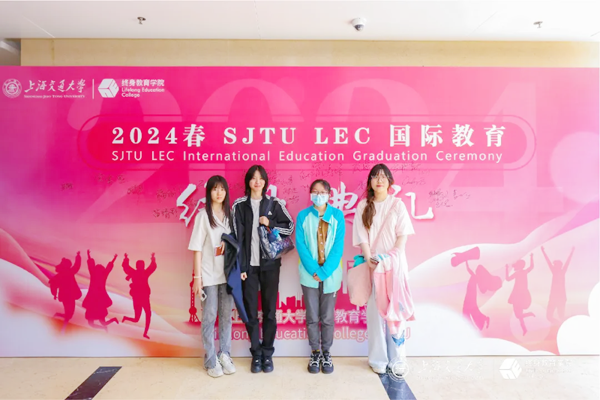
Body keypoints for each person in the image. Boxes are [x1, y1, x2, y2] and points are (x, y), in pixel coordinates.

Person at [352, 164, 415, 376]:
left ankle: (398, 359)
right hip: (373, 266)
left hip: (394, 267)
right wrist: (369, 258)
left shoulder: (397, 204)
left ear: (389, 181)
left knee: (396, 313)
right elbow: (362, 237)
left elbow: (402, 237)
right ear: (370, 181)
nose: (379, 180)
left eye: (383, 177)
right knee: (375, 314)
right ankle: (378, 359)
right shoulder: (363, 206)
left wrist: (390, 258)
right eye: (375, 177)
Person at [232, 165, 294, 373]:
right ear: (248, 182)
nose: (257, 181)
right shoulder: (239, 206)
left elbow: (290, 227)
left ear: (265, 181)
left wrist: (271, 223)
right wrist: (241, 266)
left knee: (269, 311)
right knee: (250, 312)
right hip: (248, 267)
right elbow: (236, 238)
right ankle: (256, 354)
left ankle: (267, 354)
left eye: (260, 178)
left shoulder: (274, 204)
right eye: (253, 178)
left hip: (270, 266)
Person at [188, 175, 236, 378]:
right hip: (208, 275)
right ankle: (210, 359)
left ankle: (224, 354)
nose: (219, 192)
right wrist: (197, 278)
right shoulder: (203, 216)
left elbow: (237, 242)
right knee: (209, 316)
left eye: (222, 189)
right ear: (209, 192)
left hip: (228, 275)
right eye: (215, 189)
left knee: (226, 317)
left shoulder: (230, 215)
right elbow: (196, 248)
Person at [295, 179, 345, 374]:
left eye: (322, 192)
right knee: (312, 316)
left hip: (331, 275)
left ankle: (326, 353)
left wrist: (324, 272)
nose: (318, 195)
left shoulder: (337, 216)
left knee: (327, 317)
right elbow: (301, 246)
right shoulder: (303, 216)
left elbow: (338, 248)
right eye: (315, 192)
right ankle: (315, 352)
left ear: (329, 194)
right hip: (309, 275)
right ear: (310, 194)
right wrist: (314, 270)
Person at [121, 252, 157, 339]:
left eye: (142, 265)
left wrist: (153, 258)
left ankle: (145, 333)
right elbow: (126, 267)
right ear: (137, 266)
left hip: (144, 297)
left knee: (148, 314)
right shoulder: (135, 273)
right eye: (140, 265)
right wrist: (126, 258)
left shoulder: (143, 273)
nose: (142, 267)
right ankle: (126, 318)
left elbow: (152, 267)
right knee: (136, 319)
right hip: (137, 298)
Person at [82, 250, 119, 331]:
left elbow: (92, 266)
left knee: (96, 323)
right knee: (99, 323)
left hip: (96, 299)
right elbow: (106, 268)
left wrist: (88, 255)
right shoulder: (97, 274)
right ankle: (106, 326)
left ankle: (106, 326)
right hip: (96, 299)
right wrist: (114, 259)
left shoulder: (97, 275)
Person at [49, 251, 83, 332]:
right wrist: (78, 256)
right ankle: (63, 328)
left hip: (68, 296)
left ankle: (59, 319)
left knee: (69, 314)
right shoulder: (67, 273)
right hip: (68, 296)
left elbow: (53, 285)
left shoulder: (66, 273)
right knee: (69, 314)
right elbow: (53, 285)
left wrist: (78, 256)